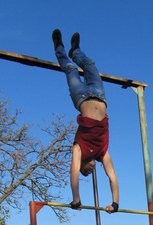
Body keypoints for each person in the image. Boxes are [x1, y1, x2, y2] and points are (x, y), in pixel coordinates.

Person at [52, 29, 119, 213]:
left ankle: (59, 48)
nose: (92, 169)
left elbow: (73, 171)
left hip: (81, 97)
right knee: (89, 65)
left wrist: (76, 198)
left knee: (71, 69)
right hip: (100, 96)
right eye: (91, 171)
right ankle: (76, 52)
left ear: (82, 165)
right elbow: (112, 176)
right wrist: (115, 203)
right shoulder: (103, 153)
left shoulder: (78, 149)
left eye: (87, 171)